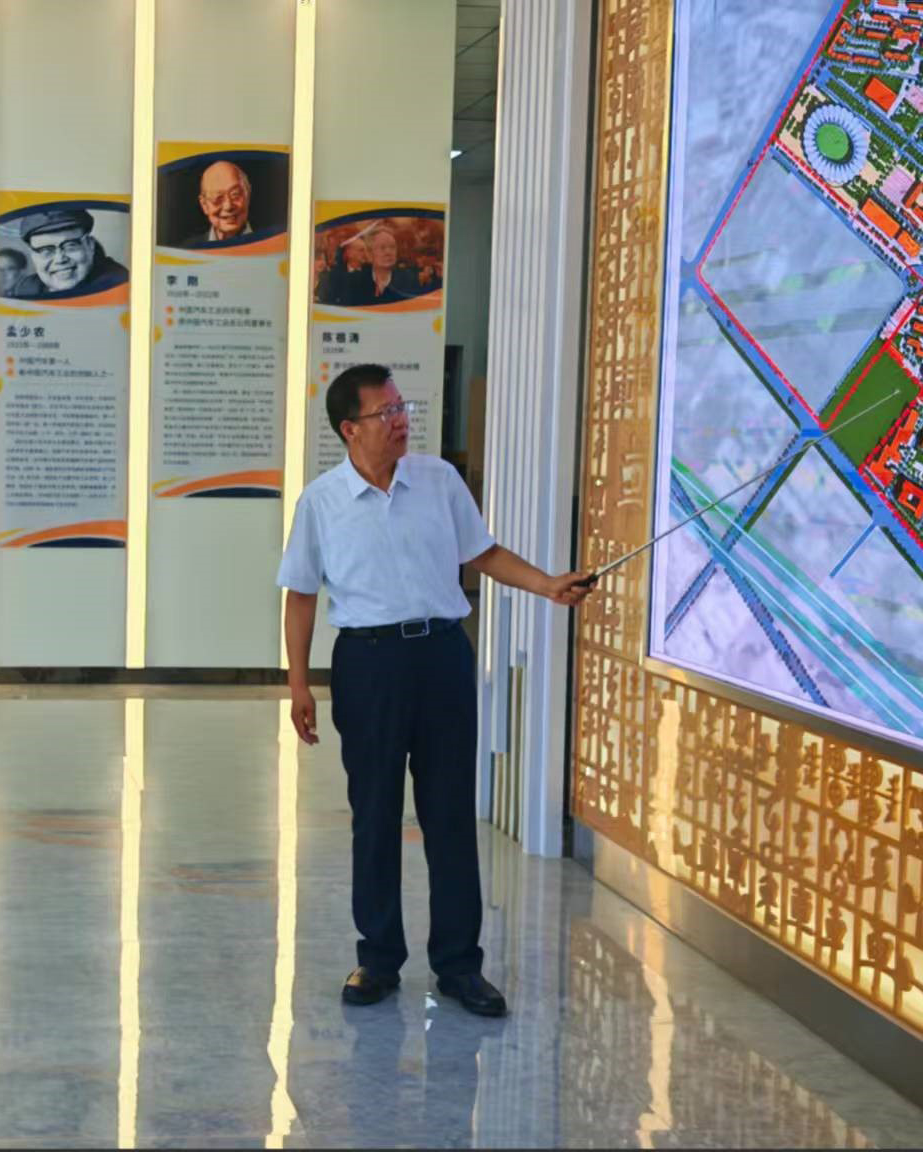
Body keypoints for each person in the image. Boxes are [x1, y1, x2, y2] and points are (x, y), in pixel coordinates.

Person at [279, 364, 591, 1019]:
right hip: (367, 664)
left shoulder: (440, 481)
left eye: (402, 408)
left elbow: (483, 553)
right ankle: (378, 959)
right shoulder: (321, 502)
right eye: (385, 413)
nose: (401, 421)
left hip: (443, 655)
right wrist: (299, 684)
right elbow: (301, 595)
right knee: (374, 814)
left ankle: (459, 966)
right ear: (350, 429)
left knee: (449, 814)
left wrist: (547, 585)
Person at [4, 206, 127, 299]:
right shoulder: (27, 288)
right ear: (33, 256)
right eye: (46, 251)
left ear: (90, 245)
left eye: (70, 246)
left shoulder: (115, 286)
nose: (60, 259)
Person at [338, 228, 424, 306]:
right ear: (370, 253)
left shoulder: (409, 279)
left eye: (392, 247)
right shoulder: (354, 281)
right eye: (382, 248)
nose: (388, 252)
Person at [192, 159, 253, 246]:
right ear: (204, 205)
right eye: (218, 198)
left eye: (235, 194)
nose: (228, 206)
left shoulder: (270, 241)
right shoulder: (189, 249)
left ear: (248, 195)